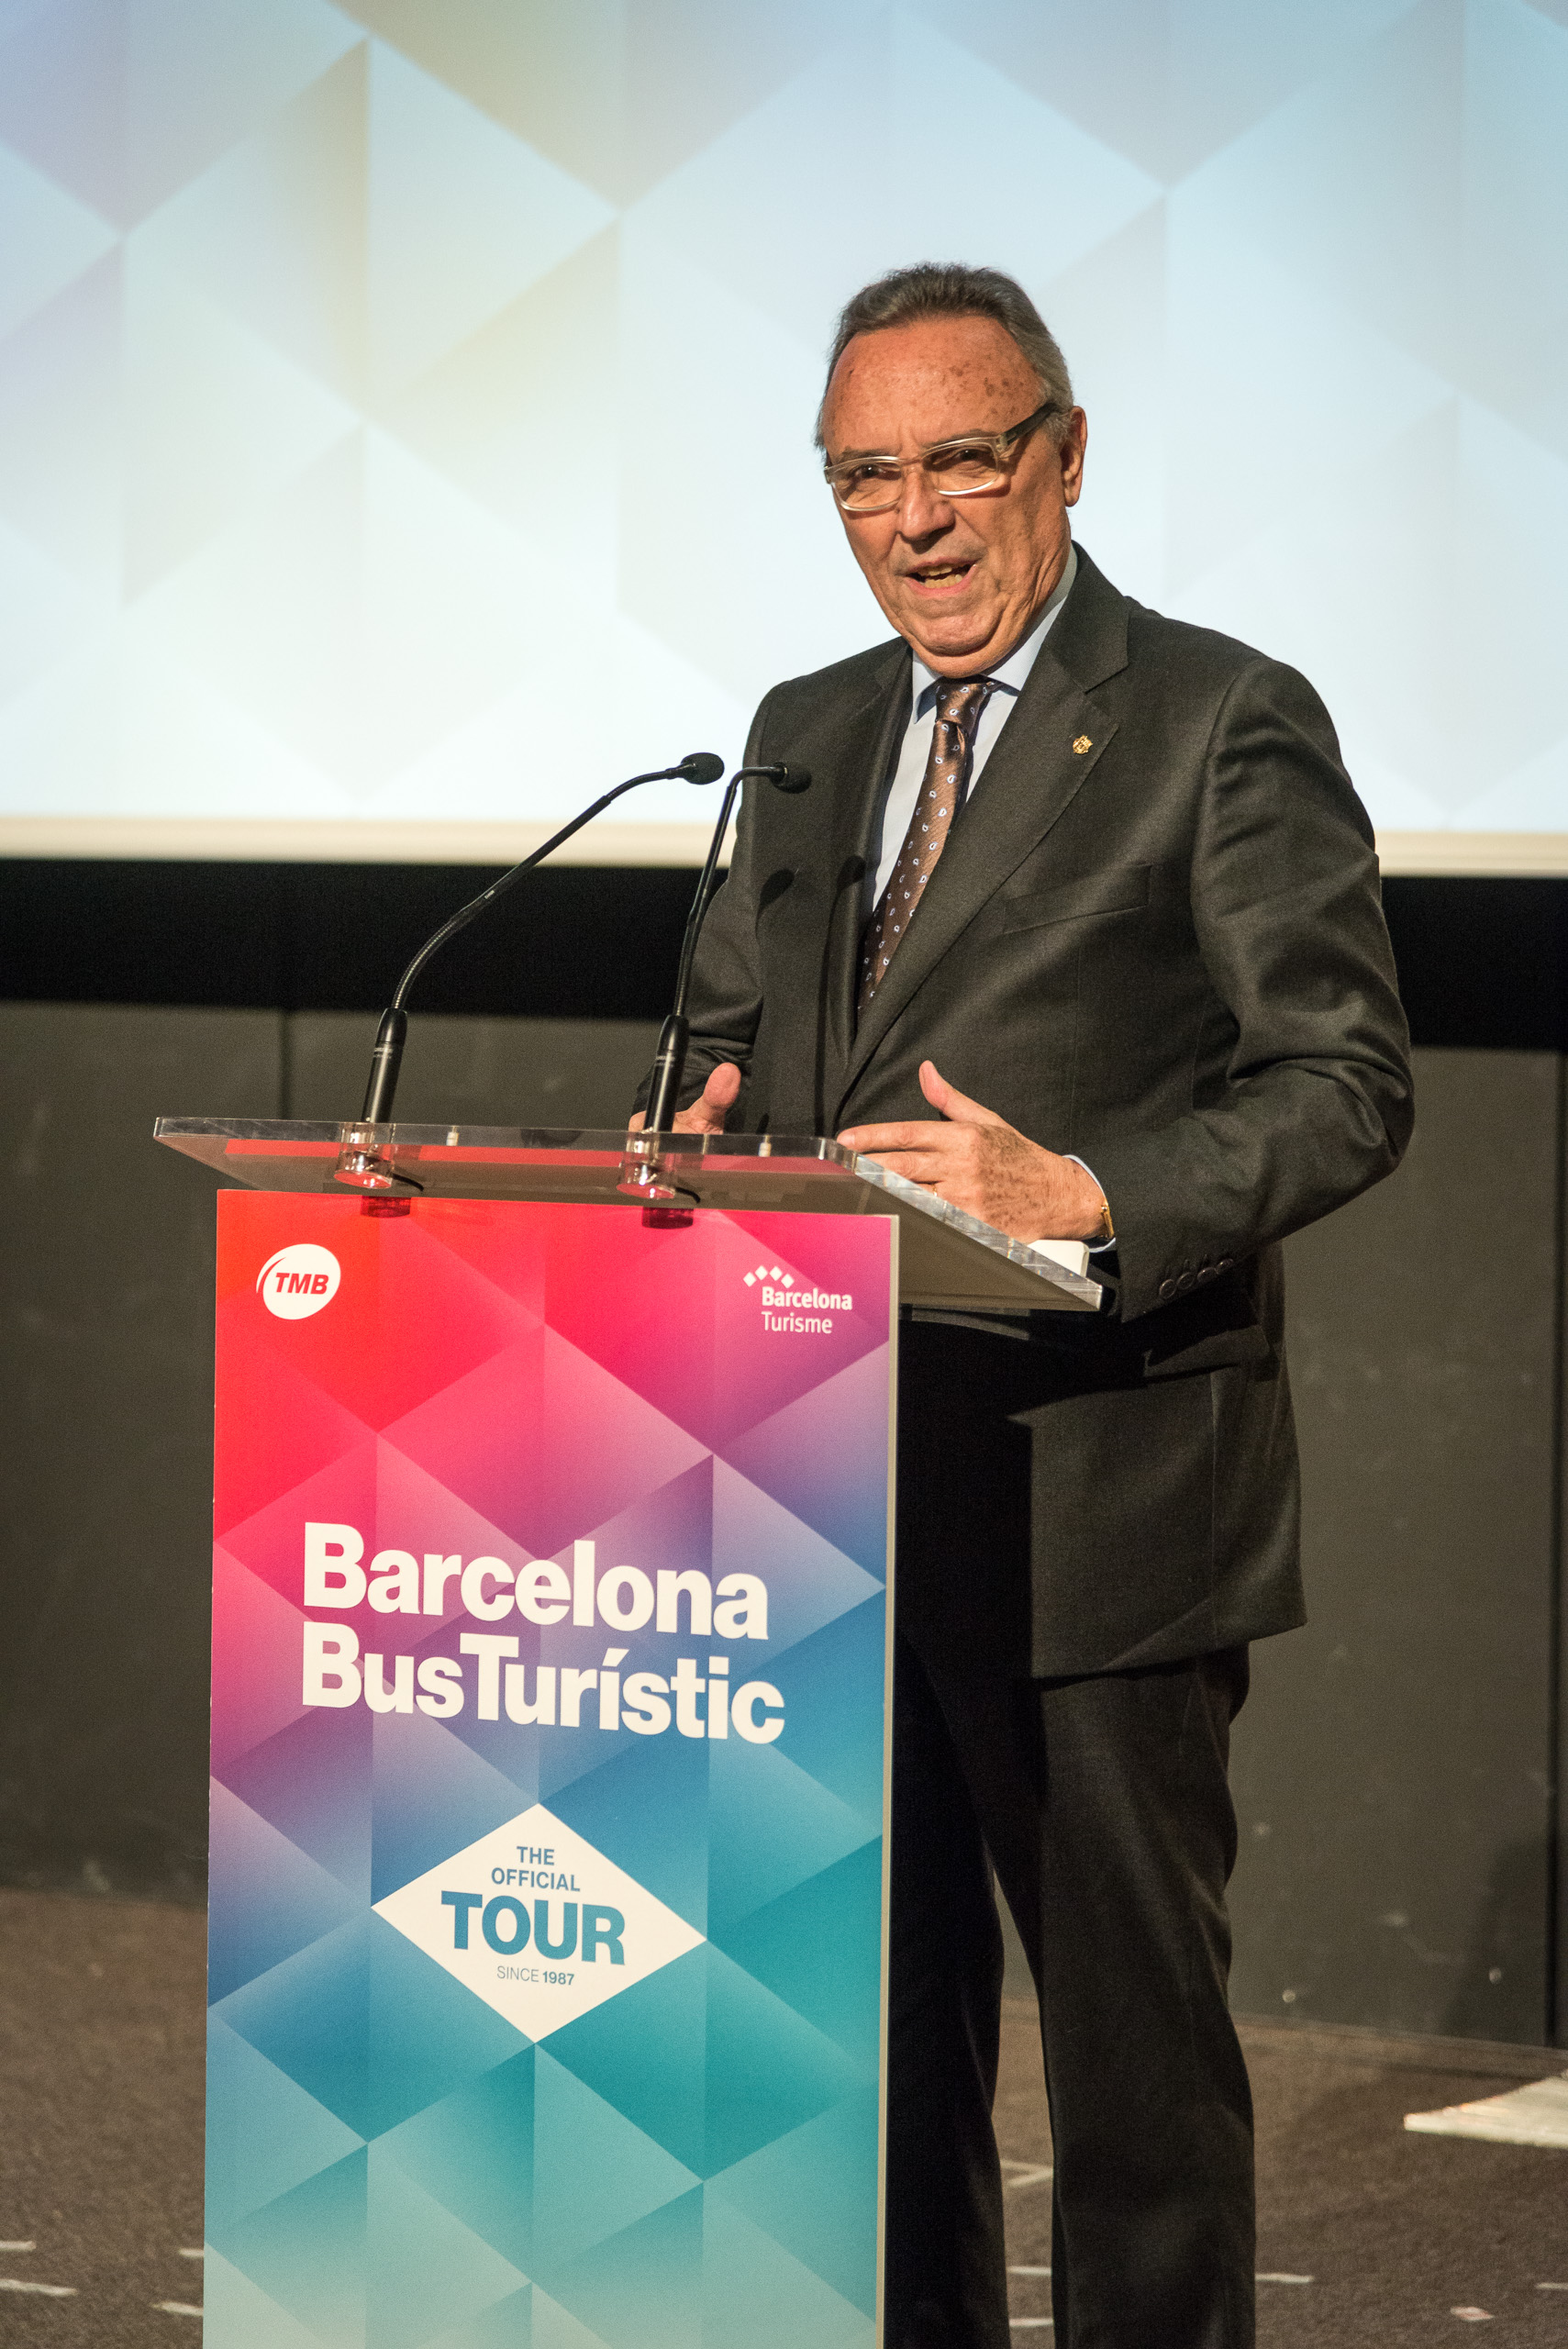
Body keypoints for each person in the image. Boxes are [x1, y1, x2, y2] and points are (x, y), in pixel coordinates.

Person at [638, 263, 1413, 2348]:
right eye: (860, 477)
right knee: (866, 2058)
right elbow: (726, 1037)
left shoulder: (1218, 719)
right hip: (818, 1488)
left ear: (1064, 459)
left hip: (1099, 1499)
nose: (913, 520)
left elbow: (1345, 1081)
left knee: (1133, 2080)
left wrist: (1089, 1193)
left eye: (960, 461)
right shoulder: (802, 733)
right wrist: (693, 1123)